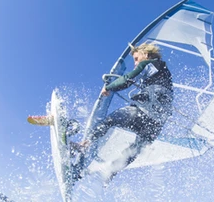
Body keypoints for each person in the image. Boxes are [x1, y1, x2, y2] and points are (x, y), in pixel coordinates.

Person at [74, 42, 174, 181]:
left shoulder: (148, 64)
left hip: (142, 113)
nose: (135, 63)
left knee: (111, 120)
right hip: (156, 124)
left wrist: (109, 87)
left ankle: (83, 145)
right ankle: (109, 172)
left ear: (145, 54)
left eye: (136, 59)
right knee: (135, 149)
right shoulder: (164, 71)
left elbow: (128, 79)